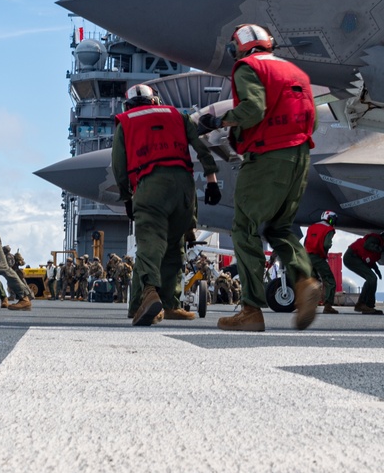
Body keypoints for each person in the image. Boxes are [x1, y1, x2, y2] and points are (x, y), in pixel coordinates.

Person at [199, 25, 321, 333]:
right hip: (300, 157)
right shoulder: (295, 72)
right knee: (280, 227)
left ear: (238, 48)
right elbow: (313, 119)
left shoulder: (248, 67)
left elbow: (252, 110)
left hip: (267, 156)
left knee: (244, 228)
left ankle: (251, 310)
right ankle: (304, 280)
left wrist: (220, 121)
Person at [113, 82, 221, 326]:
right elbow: (202, 148)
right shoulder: (177, 115)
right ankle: (169, 304)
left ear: (128, 104)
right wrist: (212, 180)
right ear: (155, 100)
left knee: (150, 244)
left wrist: (127, 196)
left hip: (151, 186)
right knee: (174, 246)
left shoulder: (126, 121)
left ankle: (149, 294)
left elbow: (119, 166)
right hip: (184, 188)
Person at [344, 231, 384, 314]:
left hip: (355, 258)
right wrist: (381, 248)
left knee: (372, 279)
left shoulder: (377, 246)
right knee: (372, 278)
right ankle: (362, 304)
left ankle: (369, 306)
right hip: (352, 257)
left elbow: (370, 258)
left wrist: (376, 269)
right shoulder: (375, 239)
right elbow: (367, 245)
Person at [305, 210, 339, 313]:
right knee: (329, 280)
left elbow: (306, 242)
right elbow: (326, 245)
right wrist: (324, 254)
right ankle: (328, 306)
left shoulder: (312, 226)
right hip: (318, 257)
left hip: (306, 256)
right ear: (330, 219)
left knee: (313, 280)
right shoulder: (329, 229)